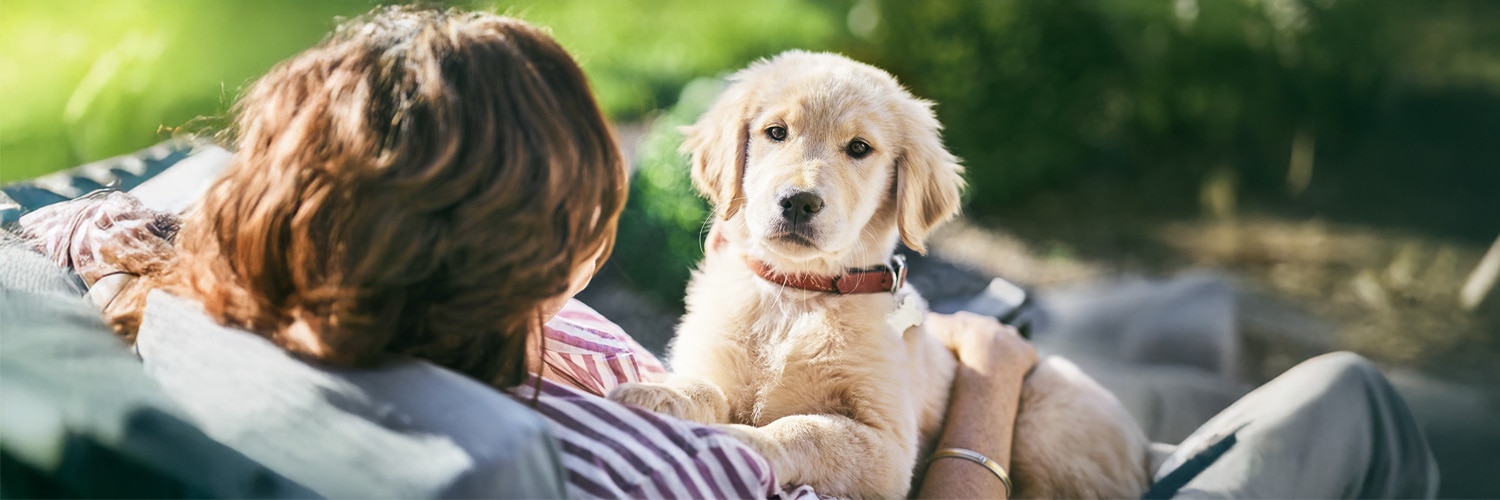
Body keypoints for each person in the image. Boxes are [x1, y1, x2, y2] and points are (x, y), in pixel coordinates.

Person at [13, 5, 1437, 498]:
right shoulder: (636, 463)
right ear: (546, 254)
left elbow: (81, 213)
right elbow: (874, 472)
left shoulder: (169, 276)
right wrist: (992, 379)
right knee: (1352, 403)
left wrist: (223, 210)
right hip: (964, 459)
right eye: (588, 213)